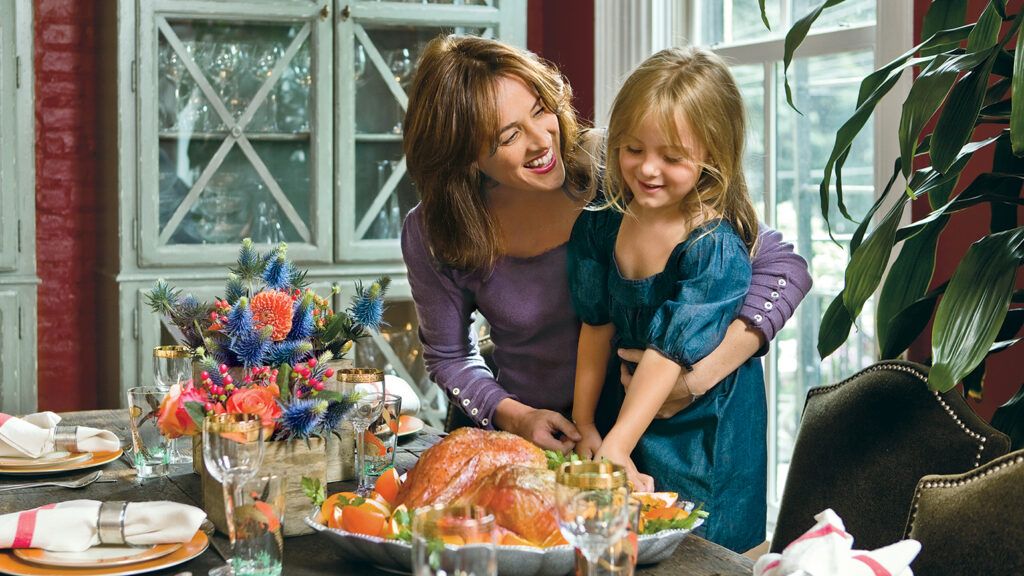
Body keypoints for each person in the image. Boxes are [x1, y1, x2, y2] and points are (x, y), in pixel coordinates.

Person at [400, 35, 811, 458]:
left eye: (541, 110)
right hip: (526, 442)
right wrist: (517, 417)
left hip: (642, 434)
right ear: (465, 154)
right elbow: (449, 357)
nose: (542, 140)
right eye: (509, 136)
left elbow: (784, 267)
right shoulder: (433, 229)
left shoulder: (613, 165)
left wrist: (696, 380)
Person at [569, 46, 768, 553]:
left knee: (698, 547)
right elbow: (595, 327)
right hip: (630, 412)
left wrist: (616, 443)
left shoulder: (713, 247)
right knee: (628, 540)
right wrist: (588, 423)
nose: (648, 169)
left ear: (712, 157)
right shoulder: (601, 220)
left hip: (706, 432)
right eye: (633, 149)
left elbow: (667, 355)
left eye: (672, 158)